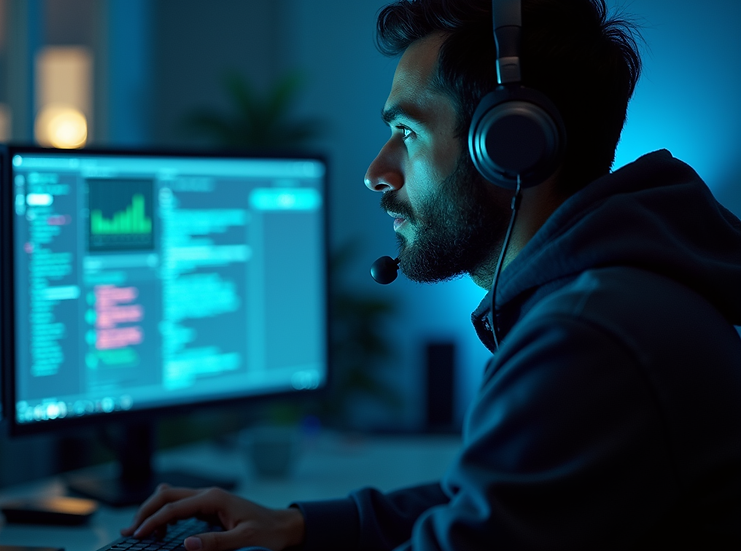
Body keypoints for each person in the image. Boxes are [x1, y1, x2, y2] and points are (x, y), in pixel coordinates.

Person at [121, 0, 741, 549]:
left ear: (510, 146)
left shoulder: (590, 334)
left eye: (405, 132)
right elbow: (482, 501)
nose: (376, 171)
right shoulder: (615, 300)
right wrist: (302, 526)